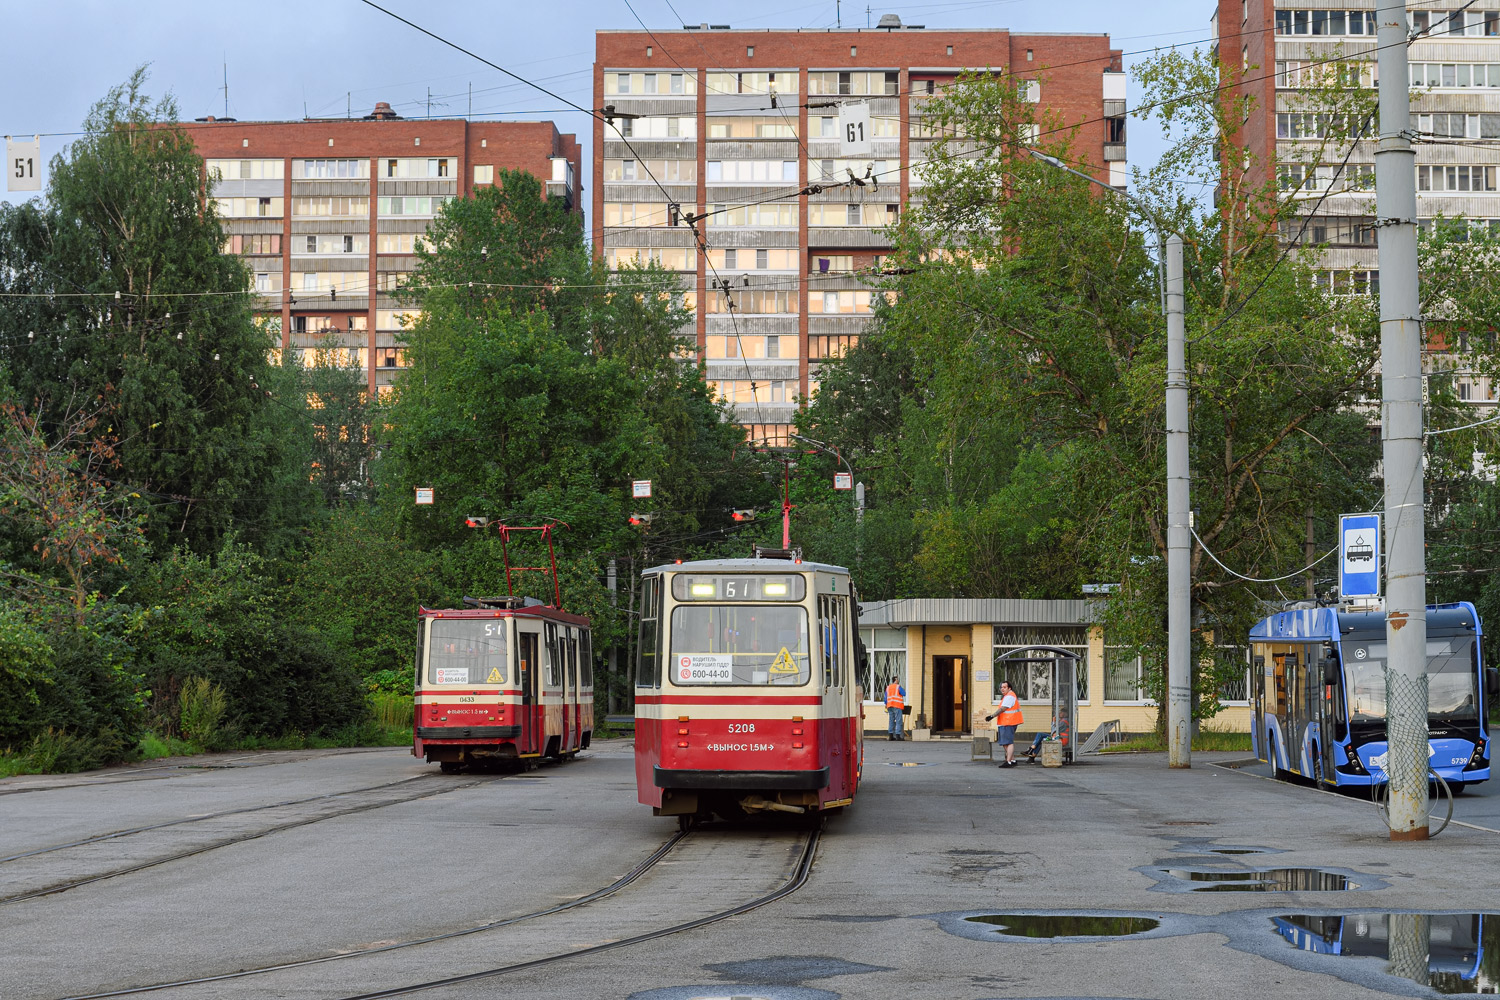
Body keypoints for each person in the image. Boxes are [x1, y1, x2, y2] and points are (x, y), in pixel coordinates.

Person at [984, 680, 1024, 767]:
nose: (1002, 689)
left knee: (1008, 742)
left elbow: (1003, 708)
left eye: (1004, 687)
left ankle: (1008, 761)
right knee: (1005, 743)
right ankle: (1012, 760)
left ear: (1009, 688)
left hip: (1008, 722)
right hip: (1007, 722)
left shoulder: (1009, 697)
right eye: (1001, 687)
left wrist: (992, 716)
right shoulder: (1008, 696)